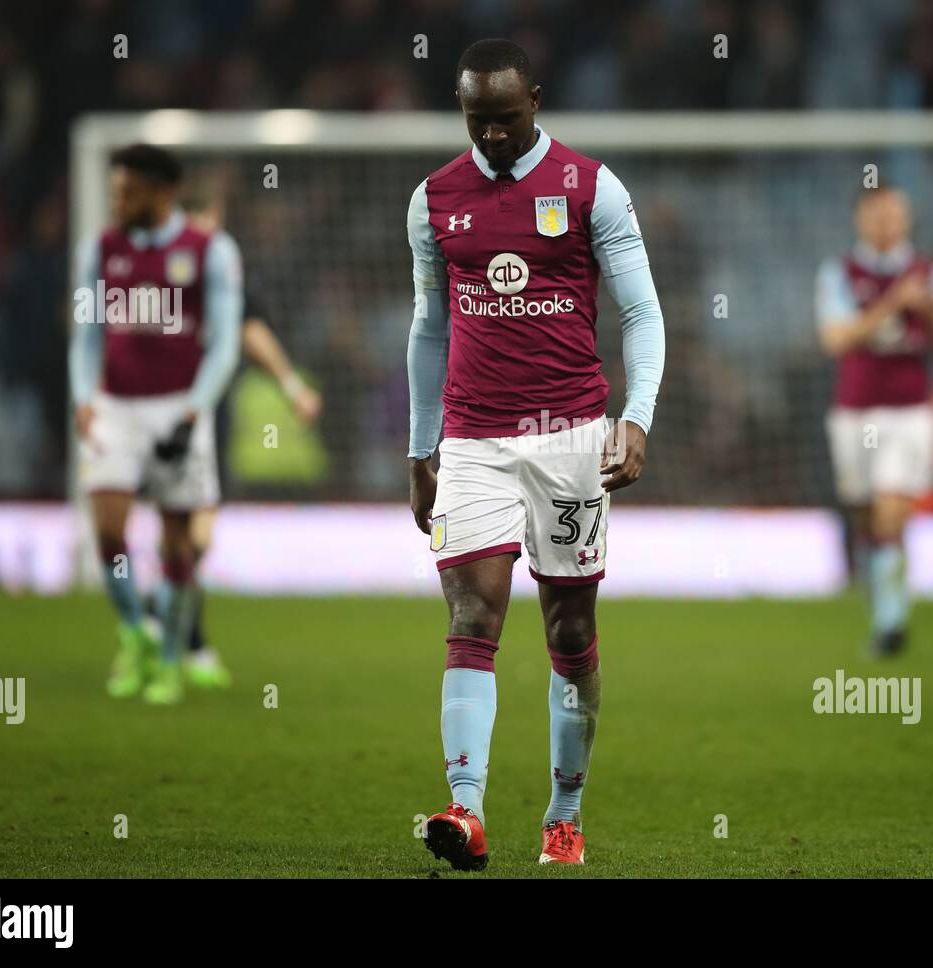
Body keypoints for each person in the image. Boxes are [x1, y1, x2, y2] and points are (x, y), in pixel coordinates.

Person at [406, 39, 665, 869]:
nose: (491, 136)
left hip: (572, 440)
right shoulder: (434, 199)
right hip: (475, 438)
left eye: (507, 119)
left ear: (537, 101)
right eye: (476, 119)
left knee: (570, 630)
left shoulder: (593, 188)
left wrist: (638, 417)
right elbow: (429, 327)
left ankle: (564, 811)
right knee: (472, 618)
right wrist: (422, 449)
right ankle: (466, 810)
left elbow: (643, 314)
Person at [69, 143, 242, 705]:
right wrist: (82, 395)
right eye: (116, 189)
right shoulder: (98, 248)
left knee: (176, 547)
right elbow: (88, 333)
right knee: (109, 532)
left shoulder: (208, 251)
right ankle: (133, 631)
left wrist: (195, 409)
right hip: (114, 404)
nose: (118, 200)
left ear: (162, 193)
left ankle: (170, 659)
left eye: (130, 191)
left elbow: (222, 343)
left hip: (179, 405)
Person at [140, 191, 324, 690]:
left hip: (210, 412)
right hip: (164, 409)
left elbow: (250, 329)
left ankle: (161, 614)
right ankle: (185, 638)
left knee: (196, 535)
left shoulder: (223, 273)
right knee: (182, 525)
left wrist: (290, 386)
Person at [816, 187, 933, 656]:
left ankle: (892, 621)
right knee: (867, 519)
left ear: (907, 219)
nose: (887, 223)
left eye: (895, 215)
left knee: (891, 509)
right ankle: (882, 614)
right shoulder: (838, 272)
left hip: (910, 411)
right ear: (861, 220)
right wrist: (893, 304)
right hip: (854, 412)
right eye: (878, 215)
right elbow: (837, 340)